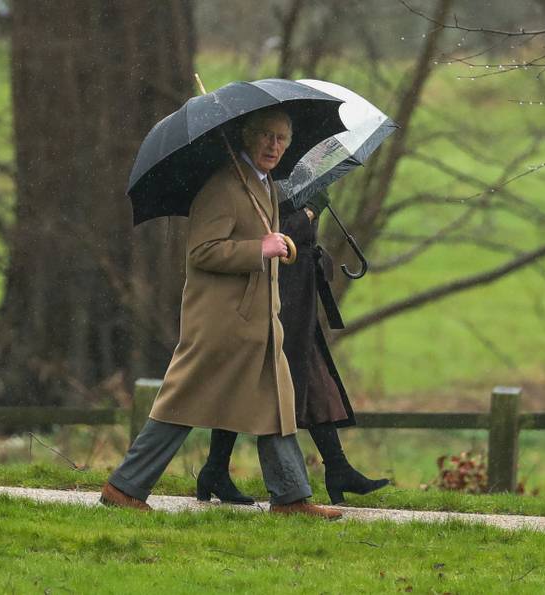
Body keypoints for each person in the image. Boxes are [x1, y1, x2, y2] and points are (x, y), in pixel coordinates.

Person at [101, 107, 341, 520]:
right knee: (181, 404)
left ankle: (290, 498)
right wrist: (258, 250)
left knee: (277, 405)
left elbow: (255, 235)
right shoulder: (224, 187)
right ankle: (124, 487)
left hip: (260, 324)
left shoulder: (262, 186)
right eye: (266, 135)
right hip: (222, 324)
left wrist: (276, 240)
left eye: (281, 138)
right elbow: (202, 252)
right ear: (247, 137)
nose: (274, 145)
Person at [197, 189, 389, 505]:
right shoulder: (272, 181)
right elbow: (277, 233)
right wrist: (310, 212)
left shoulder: (296, 177)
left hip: (299, 292)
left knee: (313, 376)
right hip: (279, 292)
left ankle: (337, 466)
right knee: (254, 379)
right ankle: (219, 469)